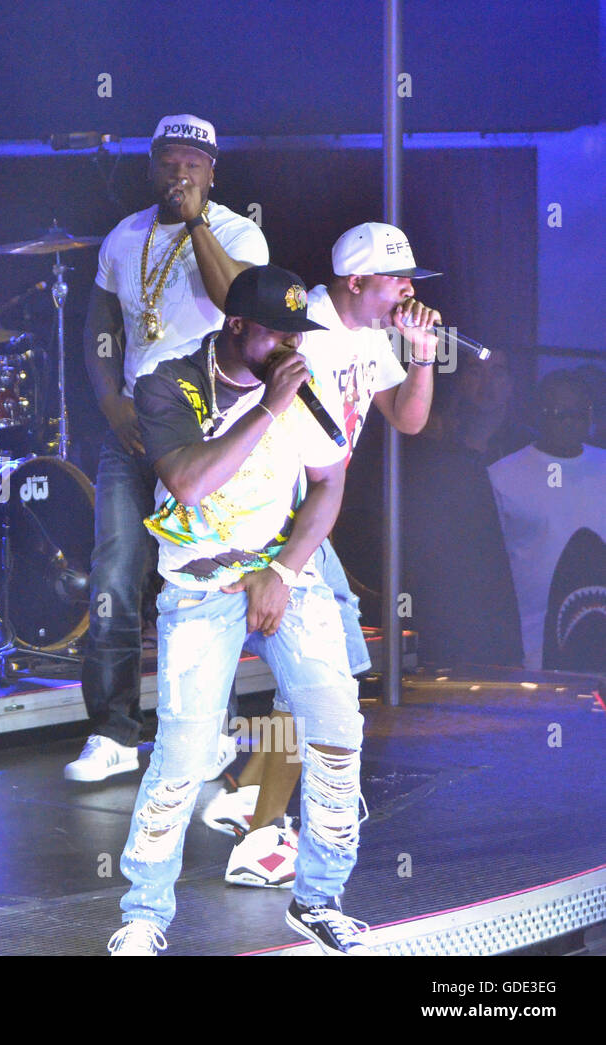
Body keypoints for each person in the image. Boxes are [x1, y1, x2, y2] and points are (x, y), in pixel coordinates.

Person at [107, 266, 371, 955]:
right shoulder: (168, 383)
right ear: (236, 328)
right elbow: (190, 483)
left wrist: (282, 571)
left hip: (286, 572)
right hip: (200, 582)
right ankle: (144, 914)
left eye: (297, 333)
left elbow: (329, 484)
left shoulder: (304, 384)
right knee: (185, 756)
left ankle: (318, 898)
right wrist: (267, 408)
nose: (291, 347)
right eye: (277, 334)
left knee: (337, 728)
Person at [203, 222, 443, 888]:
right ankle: (261, 834)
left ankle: (251, 798)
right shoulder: (300, 324)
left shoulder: (372, 335)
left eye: (412, 281)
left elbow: (409, 418)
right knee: (323, 675)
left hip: (308, 510)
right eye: (398, 279)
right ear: (357, 282)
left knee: (318, 674)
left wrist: (421, 355)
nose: (408, 291)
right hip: (274, 510)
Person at [67, 114, 268, 782]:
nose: (179, 174)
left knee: (204, 576)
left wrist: (197, 222)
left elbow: (234, 297)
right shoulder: (124, 236)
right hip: (132, 432)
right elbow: (99, 331)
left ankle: (209, 728)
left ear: (213, 171)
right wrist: (109, 401)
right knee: (117, 574)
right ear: (151, 165)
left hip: (206, 434)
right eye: (168, 162)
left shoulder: (239, 233)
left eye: (193, 164)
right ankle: (113, 732)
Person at [488, 369, 606, 670]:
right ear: (539, 414)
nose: (568, 421)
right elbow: (490, 567)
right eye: (557, 413)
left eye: (577, 413)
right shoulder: (503, 476)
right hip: (532, 648)